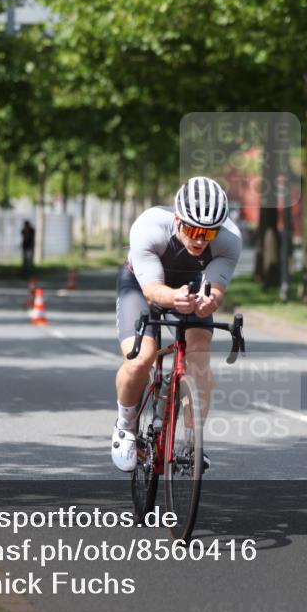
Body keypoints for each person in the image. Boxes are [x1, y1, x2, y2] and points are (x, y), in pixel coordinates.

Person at [111, 176, 242, 472]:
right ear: (178, 218)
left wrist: (210, 301)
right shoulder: (149, 226)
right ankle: (125, 426)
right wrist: (174, 298)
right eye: (193, 230)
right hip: (141, 284)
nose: (198, 240)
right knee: (141, 357)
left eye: (207, 235)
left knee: (199, 358)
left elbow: (216, 288)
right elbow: (152, 290)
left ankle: (192, 444)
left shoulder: (230, 239)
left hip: (192, 285)